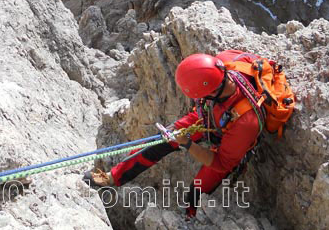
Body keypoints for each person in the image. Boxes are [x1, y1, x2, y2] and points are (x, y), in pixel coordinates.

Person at [84, 52, 262, 219]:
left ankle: (189, 219)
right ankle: (112, 177)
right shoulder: (218, 65)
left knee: (196, 191)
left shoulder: (246, 123)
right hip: (210, 115)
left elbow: (222, 163)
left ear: (213, 92)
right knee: (159, 142)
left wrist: (188, 144)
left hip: (232, 138)